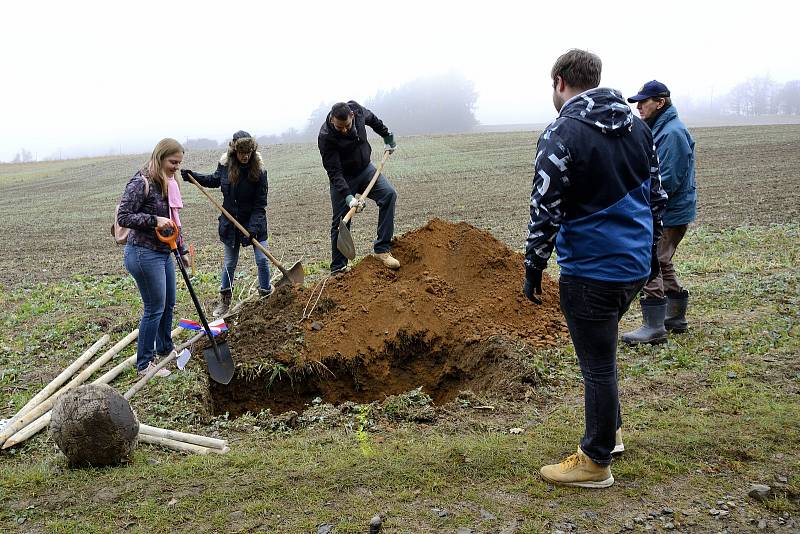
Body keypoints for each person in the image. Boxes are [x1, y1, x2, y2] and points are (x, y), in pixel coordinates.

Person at [523, 49, 667, 487]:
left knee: (597, 366)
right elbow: (657, 199)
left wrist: (534, 266)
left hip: (590, 271)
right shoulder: (640, 128)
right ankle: (612, 433)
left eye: (553, 86)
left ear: (561, 82)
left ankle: (595, 460)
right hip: (633, 267)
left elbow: (544, 208)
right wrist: (650, 256)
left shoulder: (562, 132)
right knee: (603, 354)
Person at [622, 81, 697, 344]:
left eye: (644, 102)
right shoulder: (661, 129)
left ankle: (654, 326)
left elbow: (667, 179)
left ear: (661, 102)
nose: (639, 107)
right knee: (662, 260)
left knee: (650, 259)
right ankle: (675, 317)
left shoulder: (672, 133)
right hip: (671, 212)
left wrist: (638, 201)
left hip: (670, 213)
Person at [181, 131, 271, 317]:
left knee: (262, 259)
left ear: (253, 151)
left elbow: (260, 205)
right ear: (234, 151)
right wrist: (193, 176)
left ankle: (266, 296)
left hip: (255, 223)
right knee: (230, 263)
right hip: (230, 223)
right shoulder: (225, 166)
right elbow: (214, 180)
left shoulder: (260, 171)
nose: (245, 156)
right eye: (241, 152)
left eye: (248, 152)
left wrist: (252, 229)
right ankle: (225, 302)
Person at [117, 138, 186, 377]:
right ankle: (145, 364)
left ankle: (166, 349)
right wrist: (153, 220)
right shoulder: (141, 182)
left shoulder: (168, 182)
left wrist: (181, 249)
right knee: (154, 307)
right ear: (160, 157)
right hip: (143, 253)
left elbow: (174, 220)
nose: (176, 167)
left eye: (179, 162)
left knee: (168, 304)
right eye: (173, 162)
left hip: (164, 251)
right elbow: (124, 216)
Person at [318, 101, 399, 273]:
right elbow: (334, 172)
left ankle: (382, 250)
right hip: (343, 178)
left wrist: (387, 136)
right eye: (339, 127)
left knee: (389, 194)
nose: (344, 130)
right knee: (340, 222)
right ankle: (339, 269)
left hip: (365, 169)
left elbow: (374, 120)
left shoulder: (358, 112)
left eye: (347, 125)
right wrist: (349, 198)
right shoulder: (326, 136)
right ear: (332, 120)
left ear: (352, 117)